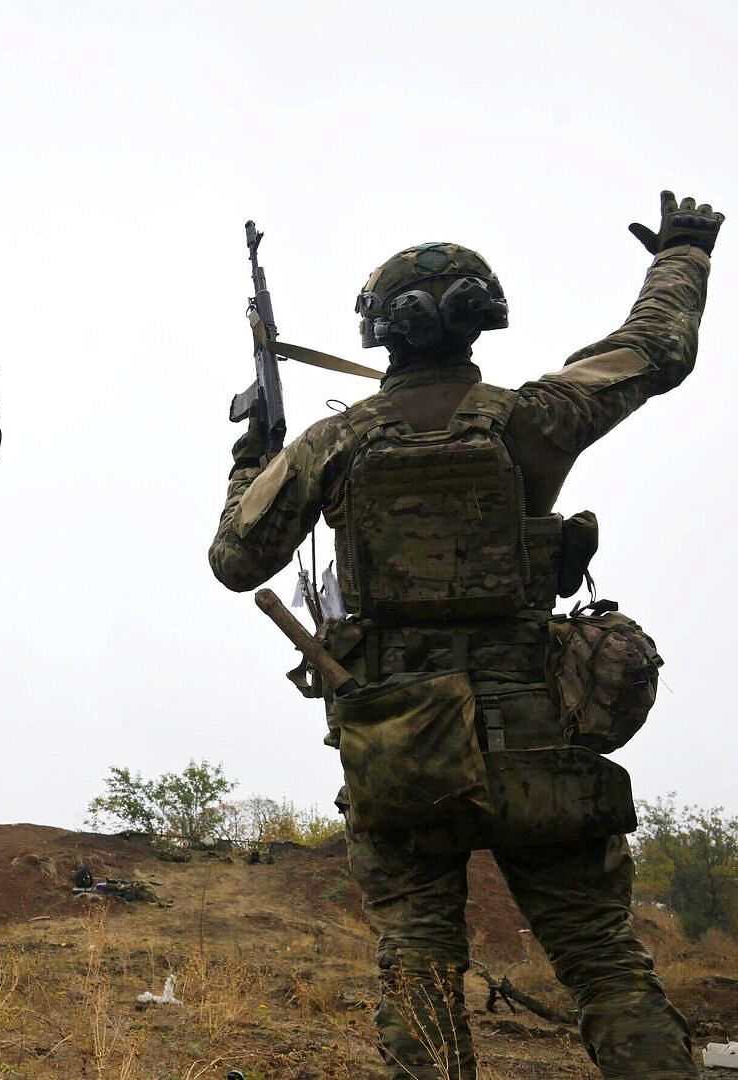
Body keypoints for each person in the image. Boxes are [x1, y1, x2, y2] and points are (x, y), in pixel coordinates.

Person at [209, 192, 718, 1079]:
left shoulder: (335, 443)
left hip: (401, 744)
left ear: (381, 335)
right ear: (481, 323)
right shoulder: (534, 418)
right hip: (537, 734)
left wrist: (253, 458)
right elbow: (653, 350)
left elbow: (233, 560)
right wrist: (683, 251)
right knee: (604, 964)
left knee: (419, 973)